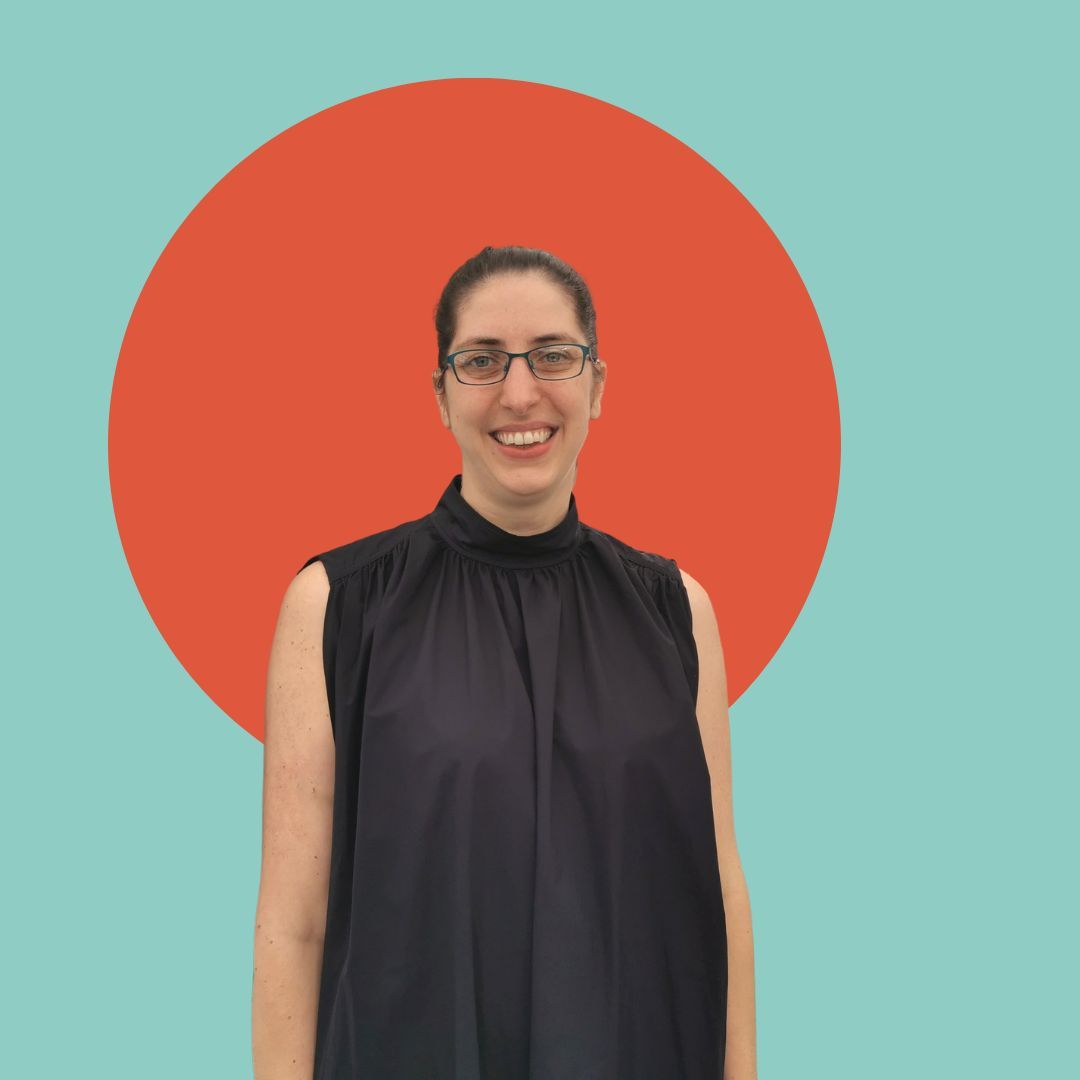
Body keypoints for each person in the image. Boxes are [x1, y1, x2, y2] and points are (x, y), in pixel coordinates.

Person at [252, 245, 757, 1079]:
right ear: (441, 395)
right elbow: (293, 922)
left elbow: (720, 891)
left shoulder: (678, 611)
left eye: (553, 356)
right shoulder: (339, 605)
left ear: (597, 384)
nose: (520, 393)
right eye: (482, 360)